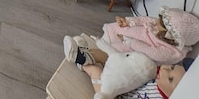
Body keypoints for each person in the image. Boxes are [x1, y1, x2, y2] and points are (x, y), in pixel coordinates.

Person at [64, 33, 194, 99]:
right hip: (124, 85)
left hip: (110, 96)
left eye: (170, 79)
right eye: (172, 67)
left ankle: (80, 59)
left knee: (97, 71)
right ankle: (86, 53)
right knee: (111, 57)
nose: (165, 70)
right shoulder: (158, 77)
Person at [102, 6, 199, 64]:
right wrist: (129, 21)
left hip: (137, 47)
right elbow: (146, 20)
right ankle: (104, 41)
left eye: (160, 24)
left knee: (113, 53)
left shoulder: (174, 52)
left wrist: (130, 42)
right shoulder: (161, 25)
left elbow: (149, 51)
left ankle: (100, 56)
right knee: (112, 36)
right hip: (134, 34)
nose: (156, 22)